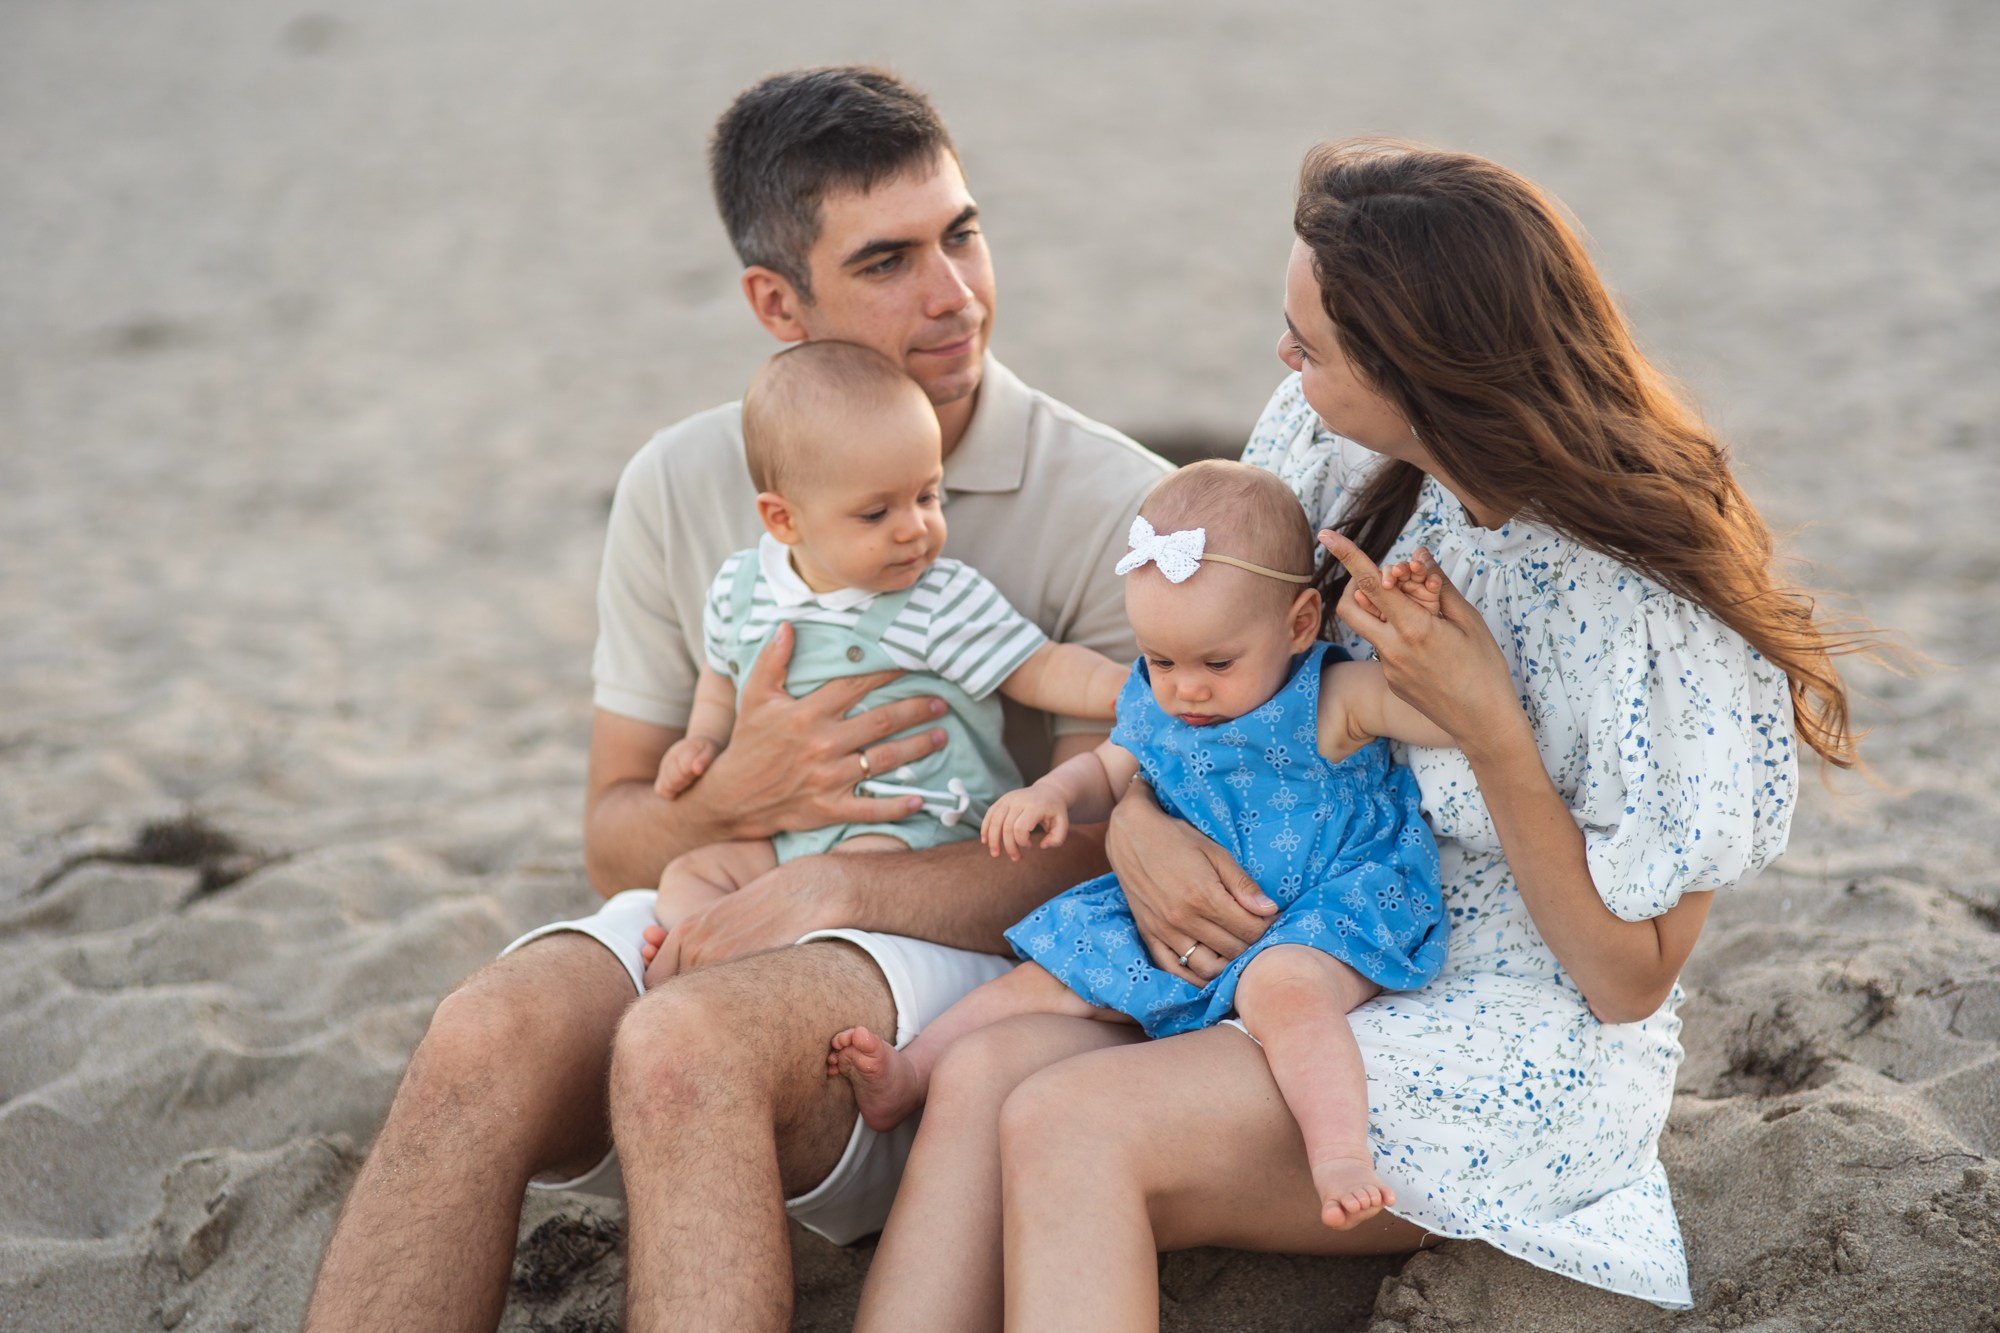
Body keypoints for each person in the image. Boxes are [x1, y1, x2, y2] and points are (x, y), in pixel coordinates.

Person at [852, 138, 1869, 1330]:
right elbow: (1209, 690)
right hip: (1297, 924)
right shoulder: (1331, 444)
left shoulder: (1648, 601)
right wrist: (1132, 822)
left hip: (1507, 1023)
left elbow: (1621, 981)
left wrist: (1491, 729)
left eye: (1311, 344)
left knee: (1070, 1124)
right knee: (978, 1074)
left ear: (1422, 373)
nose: (1284, 360)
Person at [303, 67, 1167, 1332]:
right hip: (741, 892)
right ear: (777, 300)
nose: (953, 294)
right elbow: (611, 826)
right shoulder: (681, 482)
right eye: (886, 261)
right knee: (479, 1031)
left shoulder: (1113, 502)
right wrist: (742, 798)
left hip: (967, 961)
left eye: (962, 234)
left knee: (683, 1043)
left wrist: (838, 886)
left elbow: (1107, 860)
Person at [827, 459, 1452, 1230]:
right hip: (1171, 906)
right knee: (1049, 971)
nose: (1184, 688)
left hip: (1328, 899)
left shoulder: (1326, 698)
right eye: (1160, 660)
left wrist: (1424, 647)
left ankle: (1339, 1154)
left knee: (1284, 991)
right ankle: (911, 1070)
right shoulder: (1159, 702)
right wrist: (1050, 793)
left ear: (1296, 625)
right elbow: (1107, 765)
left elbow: (1441, 718)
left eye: (1216, 663)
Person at [636, 340, 1127, 986]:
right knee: (687, 876)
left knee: (852, 878)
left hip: (915, 827)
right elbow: (719, 673)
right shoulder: (740, 587)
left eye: (928, 496)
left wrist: (1133, 688)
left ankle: (758, 961)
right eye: (877, 511)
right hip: (793, 836)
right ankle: (709, 945)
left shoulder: (936, 597)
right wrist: (701, 739)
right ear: (783, 519)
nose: (913, 529)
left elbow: (1039, 668)